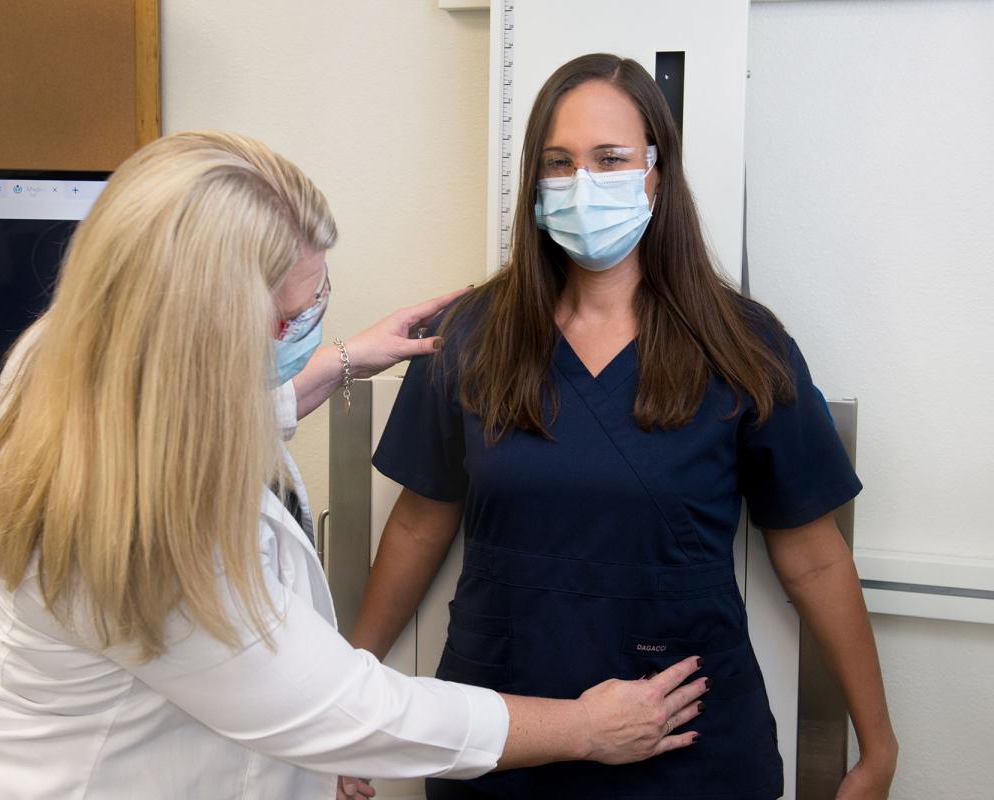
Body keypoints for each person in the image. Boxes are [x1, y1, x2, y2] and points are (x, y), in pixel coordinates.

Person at [0, 130, 711, 799]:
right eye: (287, 316)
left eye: (316, 298)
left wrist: (329, 365)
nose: (302, 324)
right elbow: (349, 708)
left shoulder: (74, 354)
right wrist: (584, 727)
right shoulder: (134, 537)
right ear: (198, 327)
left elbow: (172, 421)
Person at [350, 54, 898, 799]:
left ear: (657, 173)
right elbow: (418, 527)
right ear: (535, 184)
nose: (584, 183)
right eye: (558, 162)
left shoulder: (741, 345)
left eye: (609, 159)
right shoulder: (470, 335)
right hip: (500, 734)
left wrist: (878, 745)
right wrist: (353, 706)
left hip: (688, 743)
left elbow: (815, 559)